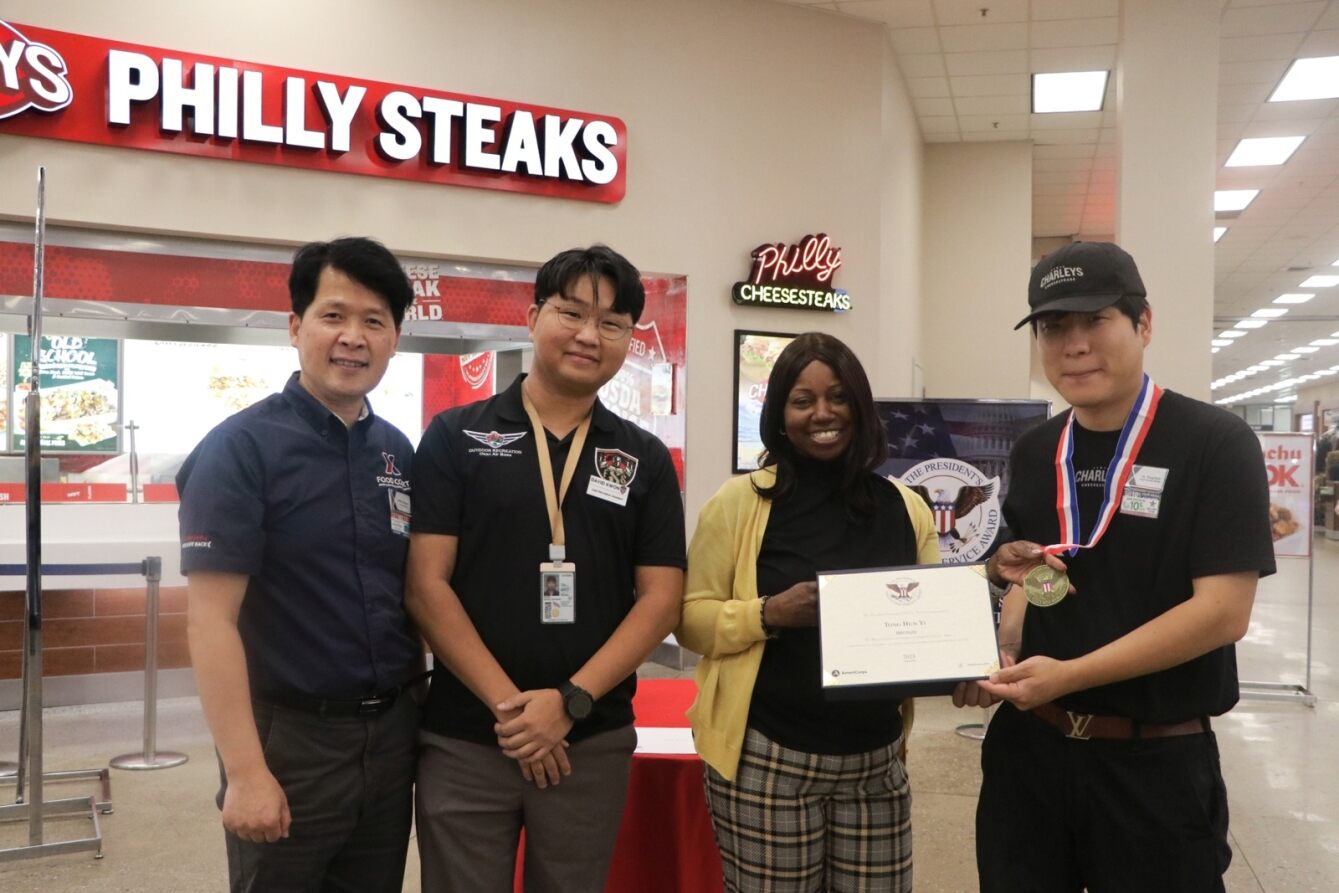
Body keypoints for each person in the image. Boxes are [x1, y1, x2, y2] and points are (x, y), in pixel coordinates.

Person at [955, 241, 1276, 892]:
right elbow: (1053, 582)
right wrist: (1001, 639)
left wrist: (1068, 675)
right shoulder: (1037, 448)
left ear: (1143, 323)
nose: (1073, 344)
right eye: (1053, 327)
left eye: (1094, 320)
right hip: (1030, 758)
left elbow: (1221, 612)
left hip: (1153, 763)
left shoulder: (1214, 443)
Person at [406, 244, 686, 891]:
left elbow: (660, 600)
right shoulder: (455, 435)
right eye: (572, 312)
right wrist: (517, 710)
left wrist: (568, 702)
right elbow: (425, 584)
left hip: (589, 740)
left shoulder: (642, 457)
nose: (590, 334)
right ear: (533, 316)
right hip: (467, 737)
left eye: (612, 322)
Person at [179, 236, 422, 892]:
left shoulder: (396, 451)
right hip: (290, 742)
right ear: (295, 327)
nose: (352, 337)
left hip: (391, 736)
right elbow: (209, 623)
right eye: (333, 315)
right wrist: (246, 771)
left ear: (394, 338)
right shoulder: (240, 449)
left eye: (374, 321)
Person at [677, 332, 940, 893]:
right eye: (803, 400)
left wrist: (963, 667)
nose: (823, 413)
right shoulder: (739, 504)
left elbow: (932, 619)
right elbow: (691, 621)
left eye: (839, 397)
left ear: (861, 407)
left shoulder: (906, 507)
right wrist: (767, 613)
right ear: (780, 412)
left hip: (877, 762)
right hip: (768, 759)